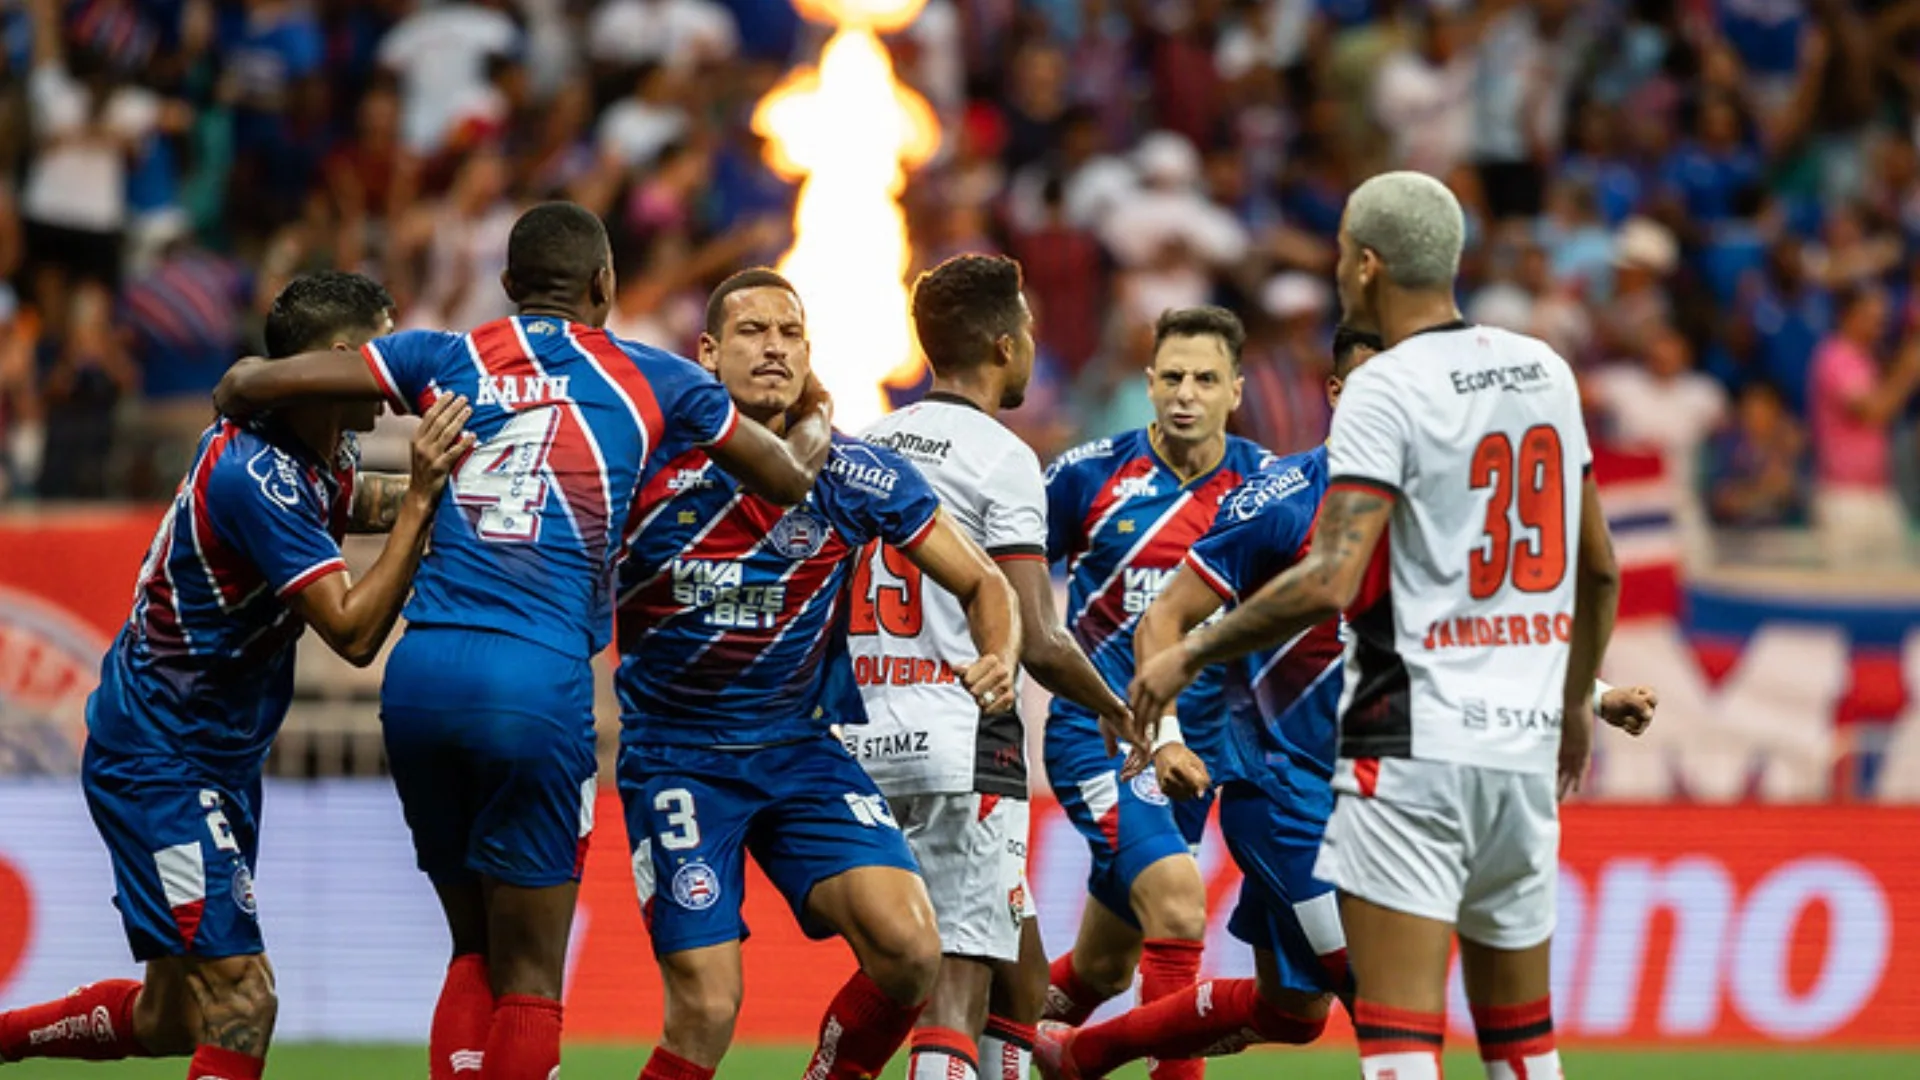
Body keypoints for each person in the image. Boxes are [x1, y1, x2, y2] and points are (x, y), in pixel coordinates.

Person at [210, 204, 835, 1080]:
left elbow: (266, 382)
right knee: (533, 977)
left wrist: (241, 384)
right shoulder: (657, 379)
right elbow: (788, 479)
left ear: (508, 289)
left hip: (422, 673)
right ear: (605, 287)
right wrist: (813, 419)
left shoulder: (445, 354)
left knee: (473, 949)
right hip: (533, 684)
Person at [1042, 329, 1657, 1078]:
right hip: (1284, 794)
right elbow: (1166, 617)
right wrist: (1167, 733)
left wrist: (1592, 696)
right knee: (1379, 997)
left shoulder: (1435, 509)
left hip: (1374, 796)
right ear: (1336, 396)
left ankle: (1077, 1054)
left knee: (1289, 1013)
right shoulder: (1284, 497)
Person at [1129, 171, 1621, 1080]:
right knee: (1524, 1041)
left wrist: (1190, 650)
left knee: (1396, 1036)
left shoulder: (1384, 388)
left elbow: (1332, 578)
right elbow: (1597, 569)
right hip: (1519, 752)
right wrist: (1576, 707)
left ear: (1364, 265)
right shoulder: (1545, 368)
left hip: (1407, 751)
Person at [0, 271, 470, 1080]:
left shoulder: (325, 449)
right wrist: (426, 500)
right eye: (384, 348)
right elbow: (354, 631)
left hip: (210, 759)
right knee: (245, 1002)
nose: (398, 371)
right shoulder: (256, 475)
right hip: (161, 759)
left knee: (173, 1016)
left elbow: (375, 503)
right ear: (338, 359)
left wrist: (480, 490)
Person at [616, 268, 1021, 1080]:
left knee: (911, 947)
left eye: (790, 334)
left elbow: (984, 580)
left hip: (801, 750)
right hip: (678, 757)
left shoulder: (854, 472)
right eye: (751, 332)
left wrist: (999, 654)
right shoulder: (646, 465)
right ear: (707, 353)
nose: (773, 348)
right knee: (707, 1008)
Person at [845, 253, 1134, 1080]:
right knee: (955, 990)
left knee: (1024, 974)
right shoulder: (1002, 459)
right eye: (1032, 331)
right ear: (1005, 346)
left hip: (860, 741)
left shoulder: (865, 446)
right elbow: (1036, 638)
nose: (1037, 344)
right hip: (960, 742)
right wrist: (1117, 709)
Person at [1040, 305, 1274, 1080]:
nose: (1185, 394)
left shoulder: (1267, 486)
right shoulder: (1084, 476)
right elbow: (997, 580)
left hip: (1201, 752)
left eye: (1205, 379)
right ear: (1147, 384)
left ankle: (988, 1043)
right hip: (1101, 733)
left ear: (1235, 390)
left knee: (1105, 969)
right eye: (1171, 377)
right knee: (1178, 905)